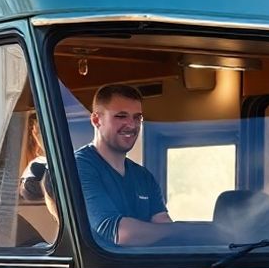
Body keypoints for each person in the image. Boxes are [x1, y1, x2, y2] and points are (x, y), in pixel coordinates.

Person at [75, 84, 187, 247]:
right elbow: (118, 233)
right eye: (121, 116)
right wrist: (180, 229)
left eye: (137, 118)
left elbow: (163, 223)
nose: (132, 125)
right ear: (96, 120)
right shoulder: (79, 167)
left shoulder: (143, 176)